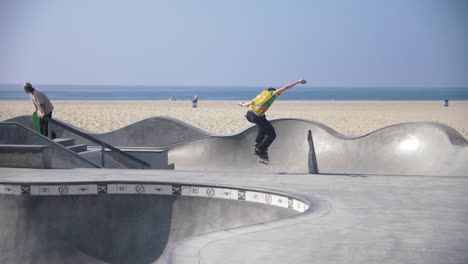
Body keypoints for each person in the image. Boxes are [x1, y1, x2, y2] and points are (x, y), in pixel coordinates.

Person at [239, 79, 307, 161]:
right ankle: (260, 149)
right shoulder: (272, 94)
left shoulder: (261, 95)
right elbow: (286, 87)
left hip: (249, 115)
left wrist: (241, 104)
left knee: (262, 125)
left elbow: (248, 104)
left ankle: (258, 145)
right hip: (256, 116)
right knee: (271, 134)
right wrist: (298, 82)